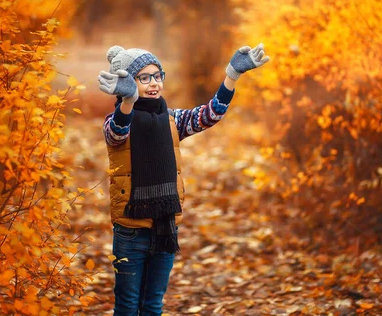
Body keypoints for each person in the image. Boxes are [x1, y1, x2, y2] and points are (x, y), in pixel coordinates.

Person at [98, 43, 269, 315]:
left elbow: (211, 114)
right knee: (128, 306)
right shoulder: (117, 121)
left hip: (165, 227)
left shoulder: (172, 119)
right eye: (144, 78)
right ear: (127, 82)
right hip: (131, 231)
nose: (154, 83)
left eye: (158, 75)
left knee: (153, 305)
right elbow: (116, 133)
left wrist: (232, 76)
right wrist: (128, 101)